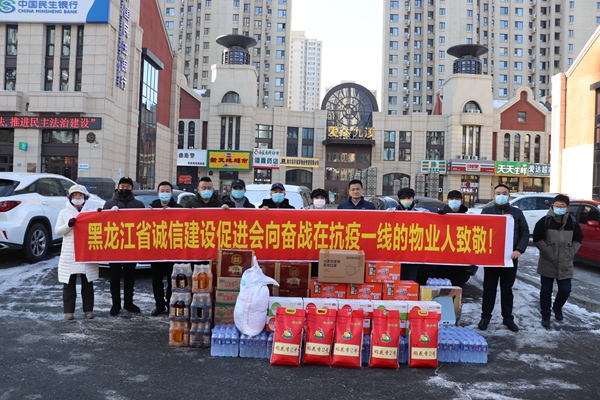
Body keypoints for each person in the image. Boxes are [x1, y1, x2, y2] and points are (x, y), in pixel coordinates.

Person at [478, 184, 529, 332]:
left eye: (504, 193)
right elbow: (480, 231)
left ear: (509, 196)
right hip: (492, 258)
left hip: (510, 258)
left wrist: (519, 249)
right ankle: (485, 316)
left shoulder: (517, 213)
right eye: (498, 193)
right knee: (489, 288)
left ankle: (508, 318)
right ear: (493, 196)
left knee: (507, 290)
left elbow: (524, 233)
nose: (501, 195)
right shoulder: (487, 211)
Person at [533, 194, 583, 327]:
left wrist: (570, 252)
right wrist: (548, 251)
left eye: (562, 206)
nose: (559, 208)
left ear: (567, 208)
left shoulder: (572, 222)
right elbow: (537, 238)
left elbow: (578, 238)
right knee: (546, 290)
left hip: (566, 263)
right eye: (556, 205)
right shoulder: (545, 221)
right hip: (548, 262)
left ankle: (557, 307)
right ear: (552, 206)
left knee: (565, 290)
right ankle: (545, 314)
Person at [55, 185, 99, 320]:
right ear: (70, 197)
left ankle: (88, 310)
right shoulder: (63, 212)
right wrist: (68, 225)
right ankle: (69, 311)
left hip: (86, 250)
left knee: (88, 283)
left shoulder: (90, 212)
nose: (77, 198)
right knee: (69, 283)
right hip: (70, 252)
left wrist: (102, 214)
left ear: (85, 197)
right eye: (75, 195)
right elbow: (57, 231)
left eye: (80, 195)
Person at [103, 177, 145, 316]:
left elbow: (144, 224)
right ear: (118, 187)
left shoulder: (139, 205)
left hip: (131, 246)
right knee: (114, 277)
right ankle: (116, 304)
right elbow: (102, 223)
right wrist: (107, 213)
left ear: (132, 189)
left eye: (127, 187)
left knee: (130, 276)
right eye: (122, 186)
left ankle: (128, 302)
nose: (124, 189)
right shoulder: (109, 204)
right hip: (115, 246)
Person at [148, 181, 182, 316]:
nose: (165, 193)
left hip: (173, 250)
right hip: (156, 250)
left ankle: (169, 304)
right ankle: (159, 305)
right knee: (156, 279)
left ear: (171, 193)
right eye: (162, 191)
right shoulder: (151, 208)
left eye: (167, 191)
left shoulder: (179, 208)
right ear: (158, 193)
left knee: (171, 279)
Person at [394, 187, 429, 280]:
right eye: (403, 198)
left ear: (413, 198)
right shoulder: (392, 211)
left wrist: (437, 216)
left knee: (410, 280)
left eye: (409, 198)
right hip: (396, 253)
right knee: (397, 280)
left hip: (414, 253)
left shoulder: (421, 212)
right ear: (399, 199)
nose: (406, 200)